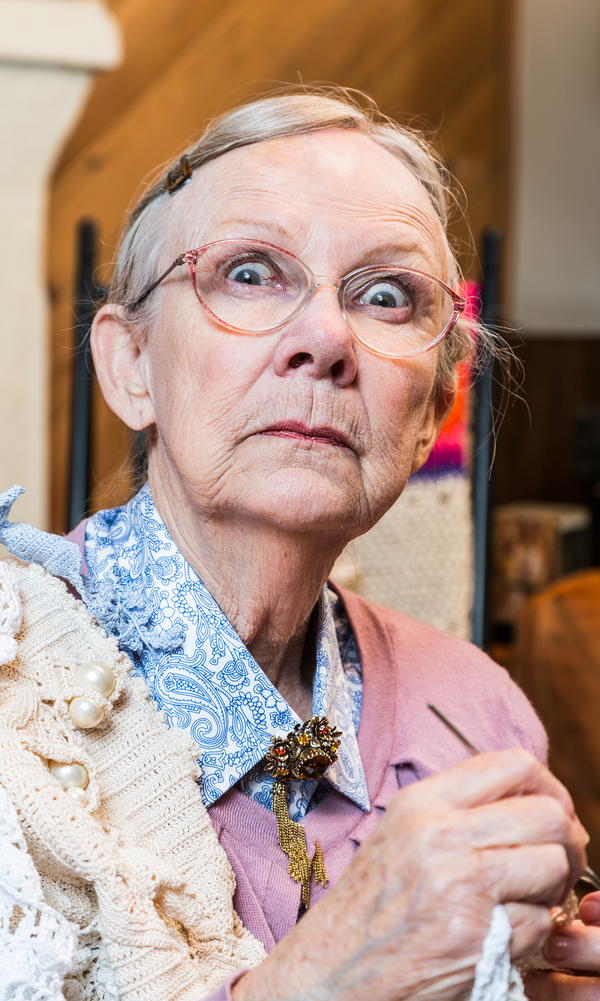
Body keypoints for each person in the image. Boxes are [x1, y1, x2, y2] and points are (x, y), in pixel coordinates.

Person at [0, 88, 598, 1001]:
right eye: (249, 271)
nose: (326, 338)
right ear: (130, 366)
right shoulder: (14, 700)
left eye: (386, 295)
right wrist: (340, 973)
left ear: (429, 409)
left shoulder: (477, 712)